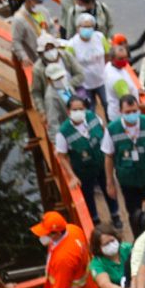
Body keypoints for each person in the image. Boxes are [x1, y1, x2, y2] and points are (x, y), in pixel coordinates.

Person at [104, 92, 145, 221]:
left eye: (134, 111)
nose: (132, 114)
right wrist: (110, 183)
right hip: (128, 181)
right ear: (120, 111)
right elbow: (108, 156)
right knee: (134, 213)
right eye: (128, 112)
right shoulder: (112, 129)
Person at [52, 95, 110, 225]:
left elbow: (104, 132)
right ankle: (94, 219)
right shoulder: (63, 132)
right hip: (83, 170)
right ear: (68, 111)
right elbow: (62, 156)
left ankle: (115, 214)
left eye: (81, 109)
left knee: (108, 188)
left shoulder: (93, 118)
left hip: (101, 163)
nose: (78, 112)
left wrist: (109, 157)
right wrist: (72, 176)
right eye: (74, 109)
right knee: (88, 195)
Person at [67, 18, 111, 119]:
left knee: (106, 103)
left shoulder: (99, 37)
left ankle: (110, 124)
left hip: (101, 80)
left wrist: (107, 70)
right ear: (78, 28)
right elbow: (69, 65)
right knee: (89, 107)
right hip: (84, 84)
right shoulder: (72, 44)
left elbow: (107, 53)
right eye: (84, 26)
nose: (87, 29)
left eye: (90, 26)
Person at [10, 0, 50, 68]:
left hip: (49, 51)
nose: (41, 4)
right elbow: (16, 41)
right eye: (38, 2)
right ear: (29, 1)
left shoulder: (44, 11)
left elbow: (51, 27)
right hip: (36, 57)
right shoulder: (19, 19)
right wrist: (24, 57)